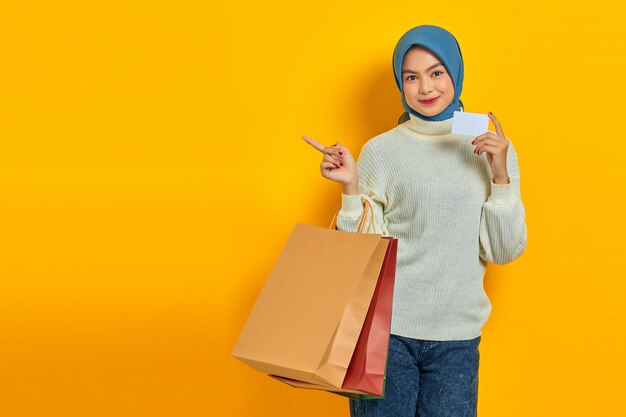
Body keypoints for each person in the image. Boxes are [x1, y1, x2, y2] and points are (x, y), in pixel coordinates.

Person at [301, 24, 527, 417]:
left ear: (455, 73)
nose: (425, 88)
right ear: (400, 82)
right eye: (412, 76)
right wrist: (351, 188)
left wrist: (501, 179)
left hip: (457, 338)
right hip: (386, 335)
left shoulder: (491, 150)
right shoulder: (383, 151)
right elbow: (362, 255)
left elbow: (504, 251)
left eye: (437, 72)